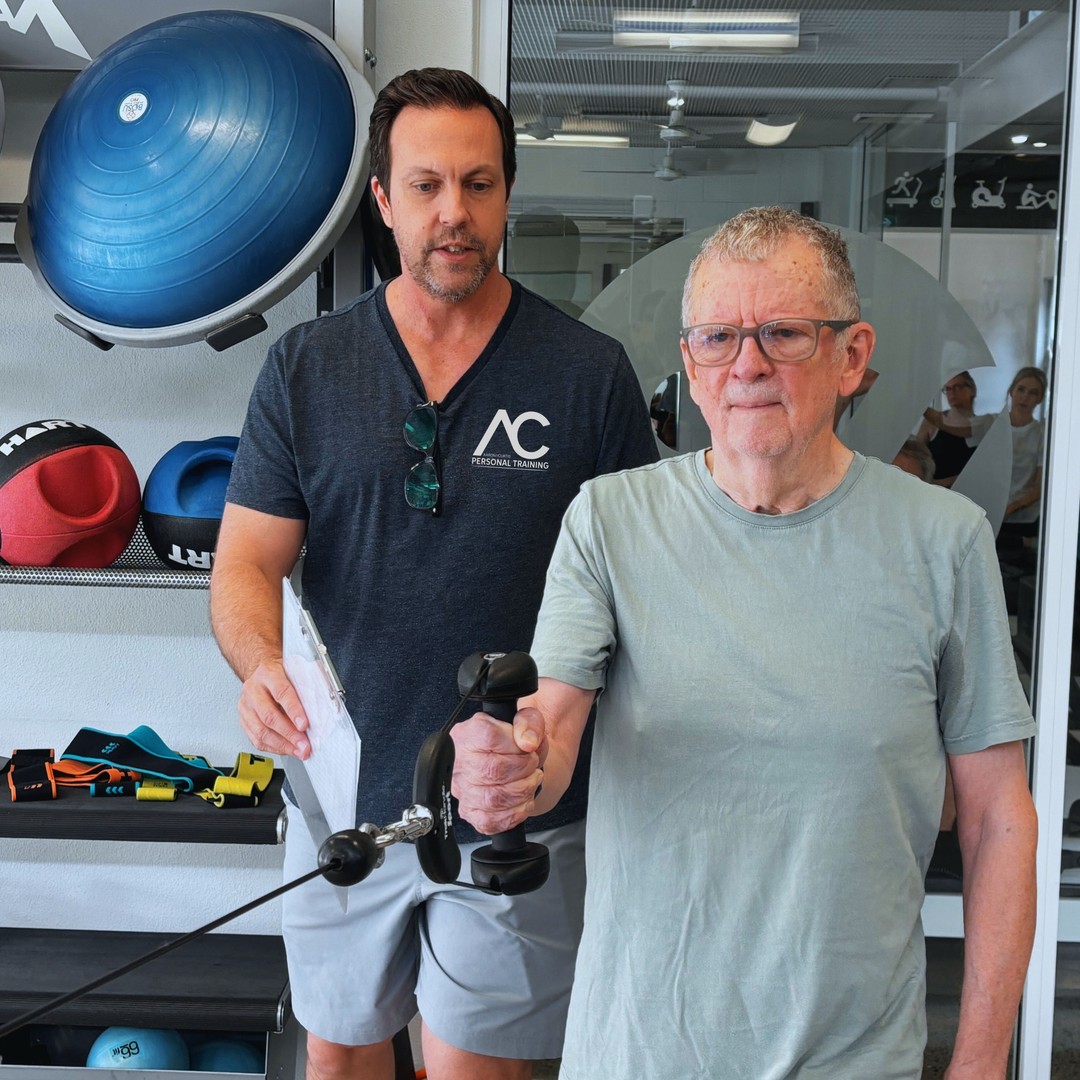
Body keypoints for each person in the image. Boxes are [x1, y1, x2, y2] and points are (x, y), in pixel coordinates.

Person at [451, 207, 1038, 1079]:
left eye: (784, 334)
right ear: (690, 366)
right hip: (638, 1053)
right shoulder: (611, 520)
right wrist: (508, 762)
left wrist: (983, 1060)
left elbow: (998, 820)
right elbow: (554, 728)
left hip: (855, 1058)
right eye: (719, 337)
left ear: (853, 356)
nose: (748, 365)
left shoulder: (942, 541)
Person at [209, 67, 658, 1080]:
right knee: (340, 1058)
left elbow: (642, 589)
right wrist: (257, 662)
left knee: (476, 1072)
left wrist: (557, 732)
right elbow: (246, 559)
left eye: (480, 183)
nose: (455, 213)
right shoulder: (307, 369)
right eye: (426, 185)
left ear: (507, 193)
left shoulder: (587, 375)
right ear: (383, 200)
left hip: (515, 805)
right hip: (345, 793)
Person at [924, 366, 1047, 562]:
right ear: (1011, 392)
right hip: (993, 513)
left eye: (1033, 393)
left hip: (1023, 518)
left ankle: (1025, 543)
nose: (1025, 397)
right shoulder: (992, 423)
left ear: (1040, 398)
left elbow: (1039, 487)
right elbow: (954, 427)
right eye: (1021, 390)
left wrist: (1011, 508)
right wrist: (919, 403)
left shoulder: (1043, 433)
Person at [914, 370, 981, 486]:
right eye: (948, 389)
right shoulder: (931, 423)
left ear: (972, 390)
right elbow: (916, 456)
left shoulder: (983, 425)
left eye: (957, 387)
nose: (952, 393)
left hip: (969, 491)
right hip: (933, 490)